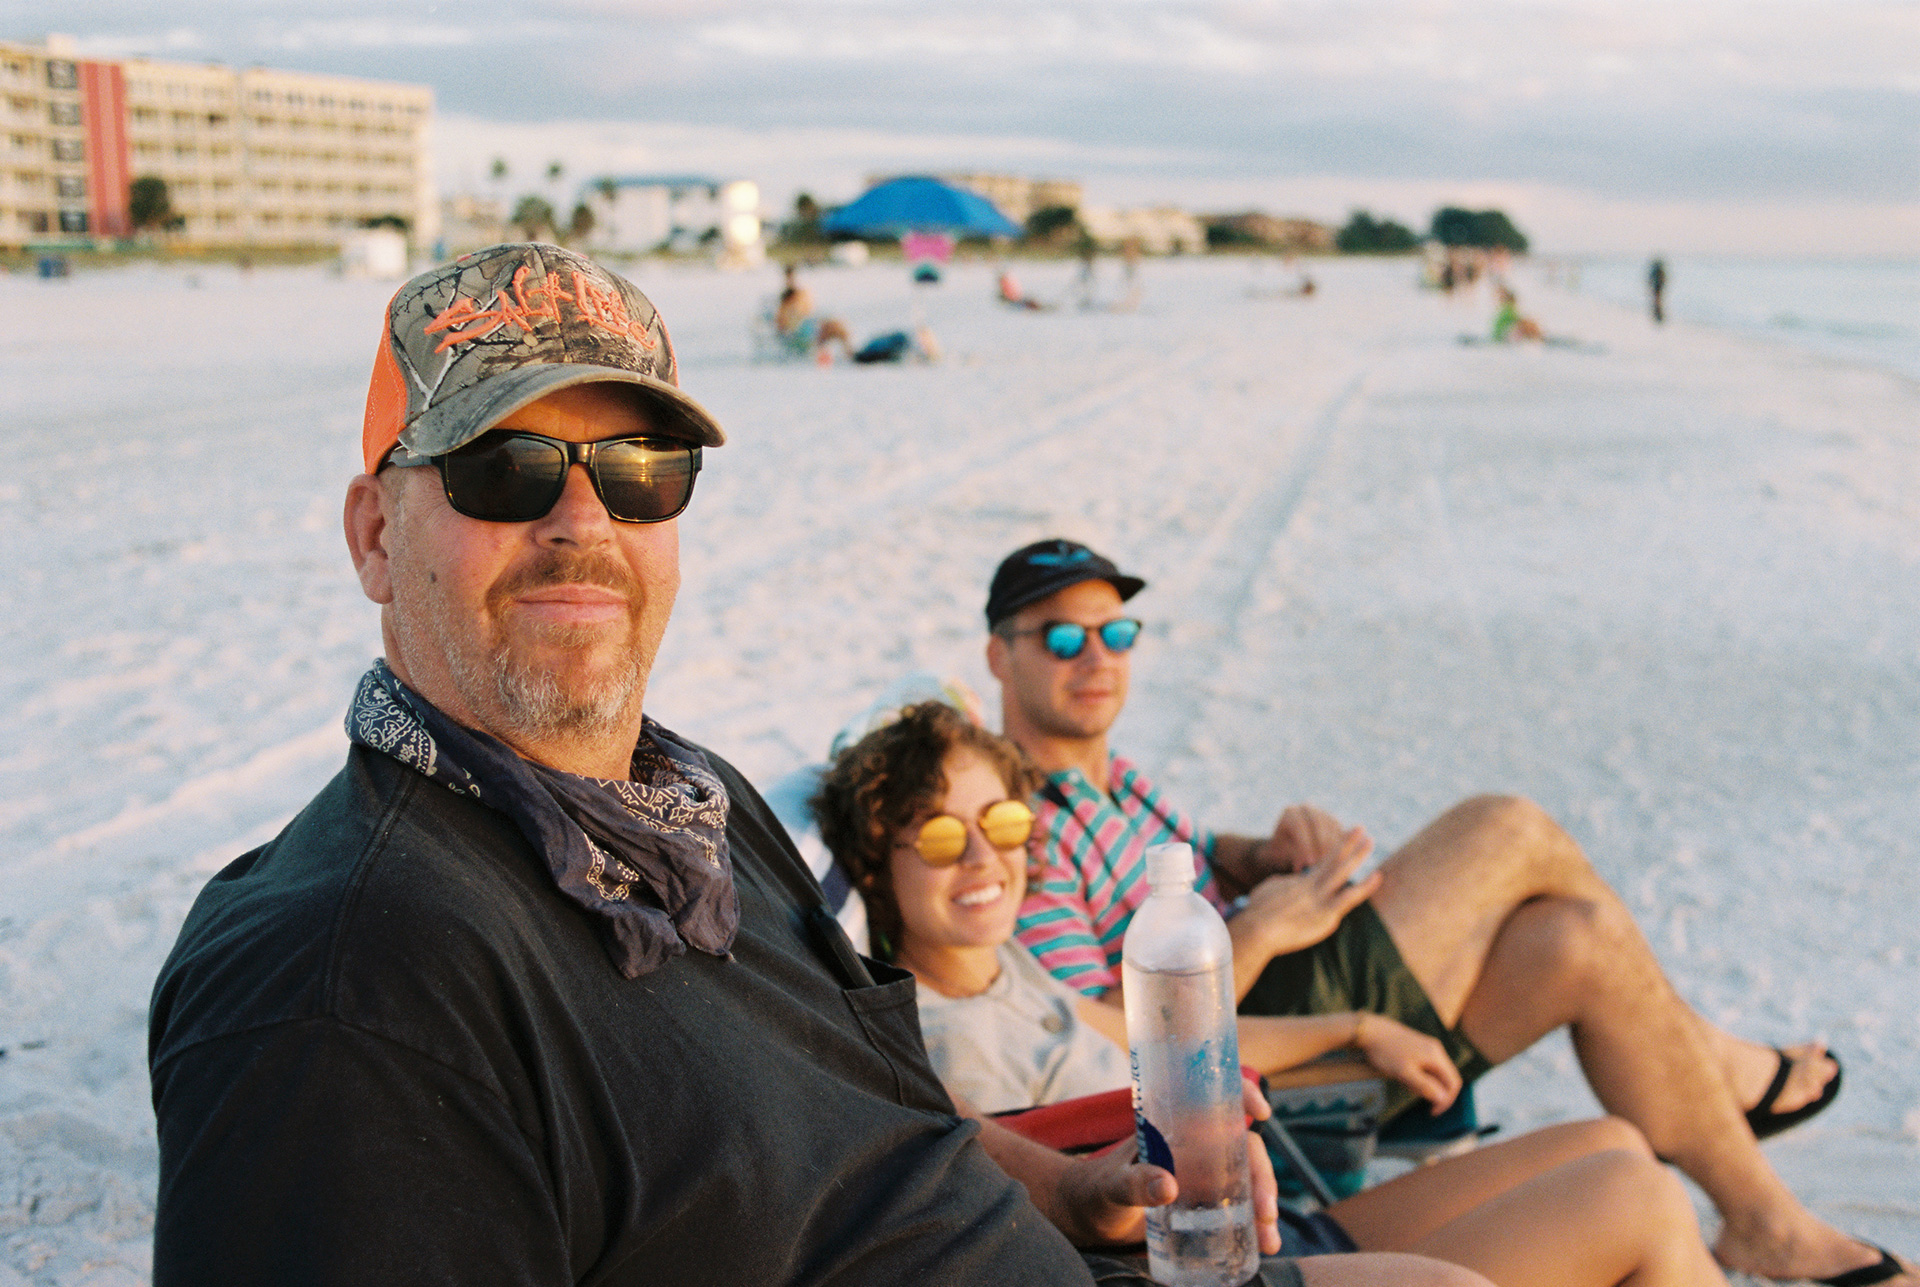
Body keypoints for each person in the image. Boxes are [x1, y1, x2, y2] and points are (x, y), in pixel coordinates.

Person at [144, 243, 1477, 1287]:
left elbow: (875, 1108)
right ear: (376, 533)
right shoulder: (344, 979)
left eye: (641, 467)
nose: (580, 519)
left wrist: (1067, 1190)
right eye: (504, 466)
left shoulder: (686, 807)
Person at [984, 537, 1909, 1287]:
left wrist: (1256, 854)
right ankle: (1719, 1072)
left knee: (1571, 940)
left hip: (1279, 966)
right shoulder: (1011, 822)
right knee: (1506, 827)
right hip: (1263, 1035)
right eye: (1062, 639)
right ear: (999, 654)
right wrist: (1263, 929)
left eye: (1118, 633)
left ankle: (1761, 1222)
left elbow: (1182, 852)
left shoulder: (1111, 777)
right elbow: (1102, 1032)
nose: (1097, 658)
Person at [811, 700, 1733, 1287]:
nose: (982, 856)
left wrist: (1357, 1023)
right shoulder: (929, 1033)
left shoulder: (1013, 967)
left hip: (1275, 1220)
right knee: (1635, 1197)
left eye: (1002, 821)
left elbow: (1158, 1032)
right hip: (1206, 1251)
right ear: (876, 867)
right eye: (937, 838)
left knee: (1615, 1138)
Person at [776, 261, 855, 360]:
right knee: (836, 327)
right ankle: (850, 356)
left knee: (838, 325)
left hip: (808, 328)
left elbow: (808, 312)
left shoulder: (800, 294)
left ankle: (849, 355)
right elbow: (782, 327)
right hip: (802, 335)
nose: (792, 280)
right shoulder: (785, 301)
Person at [1649, 257, 1669, 324]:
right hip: (1658, 285)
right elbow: (1663, 278)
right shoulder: (1659, 270)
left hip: (1657, 285)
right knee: (1657, 297)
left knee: (1657, 297)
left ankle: (1657, 306)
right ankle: (1657, 306)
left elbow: (1652, 278)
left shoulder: (1656, 270)